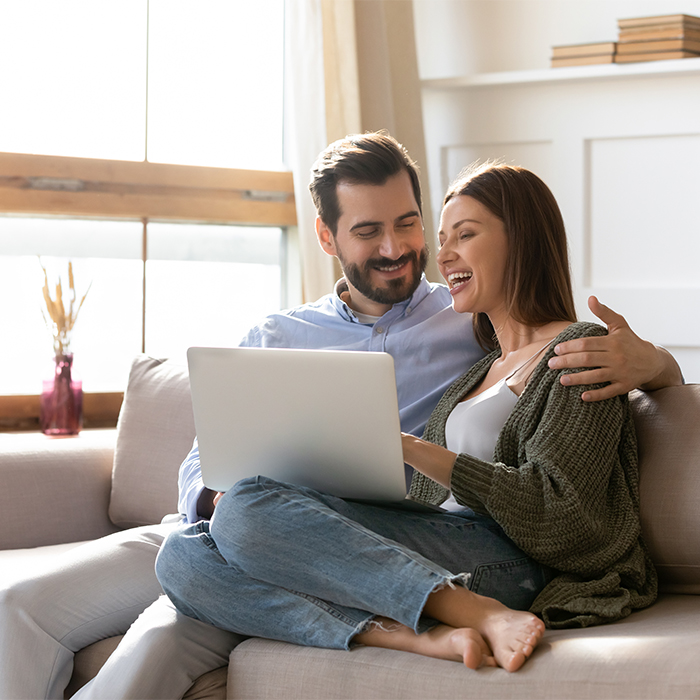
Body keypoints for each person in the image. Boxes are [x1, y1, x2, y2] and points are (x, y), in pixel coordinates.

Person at [0, 135, 680, 699]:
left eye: (411, 223)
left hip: (382, 536)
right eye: (368, 230)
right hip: (246, 519)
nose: (403, 248)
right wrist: (223, 496)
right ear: (326, 236)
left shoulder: (465, 316)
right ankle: (415, 625)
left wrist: (657, 366)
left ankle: (437, 611)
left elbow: (572, 410)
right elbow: (204, 464)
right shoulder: (280, 332)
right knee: (62, 591)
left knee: (160, 634)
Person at [154, 161, 658, 675]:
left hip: (514, 560)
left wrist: (405, 446)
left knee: (245, 511)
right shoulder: (480, 368)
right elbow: (425, 504)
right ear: (328, 239)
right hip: (444, 541)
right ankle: (417, 637)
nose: (442, 255)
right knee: (182, 557)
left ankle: (475, 609)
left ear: (521, 240)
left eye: (465, 234)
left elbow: (565, 522)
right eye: (442, 238)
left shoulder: (577, 351)